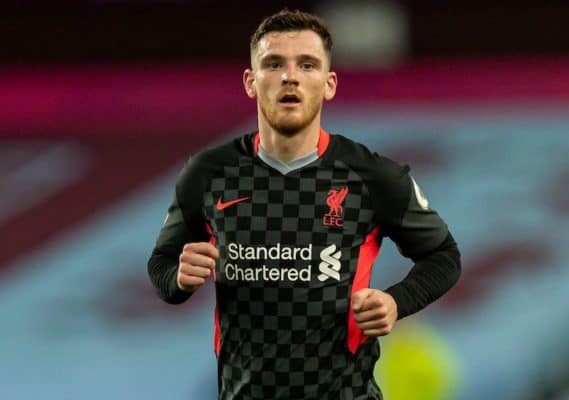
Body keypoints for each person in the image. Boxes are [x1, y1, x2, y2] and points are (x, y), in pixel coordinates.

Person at [147, 9, 461, 400]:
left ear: (329, 84)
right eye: (273, 63)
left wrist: (396, 301)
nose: (289, 76)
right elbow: (160, 265)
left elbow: (444, 256)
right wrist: (177, 277)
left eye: (307, 64)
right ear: (250, 81)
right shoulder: (209, 174)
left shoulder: (371, 176)